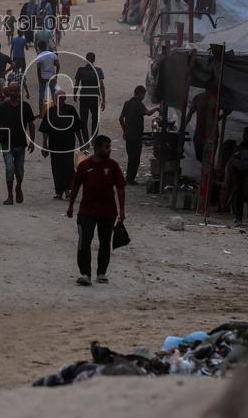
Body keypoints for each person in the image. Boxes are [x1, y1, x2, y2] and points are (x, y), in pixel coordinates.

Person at [67, 135, 126, 285]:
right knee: (84, 241)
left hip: (108, 211)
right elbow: (75, 187)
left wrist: (122, 210)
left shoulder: (113, 166)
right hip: (87, 210)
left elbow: (120, 188)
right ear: (97, 147)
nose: (109, 150)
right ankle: (85, 274)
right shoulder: (84, 166)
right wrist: (71, 206)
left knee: (105, 242)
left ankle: (101, 273)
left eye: (109, 147)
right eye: (106, 147)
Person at [0, 82, 36, 205]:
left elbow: (31, 124)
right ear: (8, 92)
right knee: (10, 169)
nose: (12, 93)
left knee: (20, 170)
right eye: (10, 91)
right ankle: (10, 196)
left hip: (20, 143)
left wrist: (32, 142)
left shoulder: (25, 106)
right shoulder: (3, 107)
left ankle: (18, 187)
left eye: (15, 91)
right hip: (6, 142)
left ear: (19, 92)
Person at [40, 89, 87, 200]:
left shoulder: (71, 110)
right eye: (58, 98)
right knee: (56, 168)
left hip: (68, 144)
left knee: (69, 167)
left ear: (65, 99)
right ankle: (58, 192)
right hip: (54, 145)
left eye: (62, 98)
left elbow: (77, 128)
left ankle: (68, 189)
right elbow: (45, 130)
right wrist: (44, 145)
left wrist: (81, 142)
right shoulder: (50, 112)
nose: (60, 100)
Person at [119, 86, 159, 184]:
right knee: (135, 158)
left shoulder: (127, 103)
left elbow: (120, 119)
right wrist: (157, 109)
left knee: (130, 157)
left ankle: (129, 178)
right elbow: (148, 113)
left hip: (128, 135)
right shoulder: (138, 104)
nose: (143, 97)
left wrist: (124, 131)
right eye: (143, 95)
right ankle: (130, 179)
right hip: (136, 136)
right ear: (140, 94)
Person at [74, 53, 106, 142]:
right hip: (95, 98)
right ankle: (94, 139)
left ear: (86, 59)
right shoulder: (98, 70)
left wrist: (74, 94)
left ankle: (86, 140)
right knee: (95, 119)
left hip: (84, 97)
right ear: (94, 60)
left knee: (83, 120)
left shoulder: (80, 70)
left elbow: (76, 84)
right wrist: (103, 100)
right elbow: (102, 86)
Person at [184, 91, 210, 162]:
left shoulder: (216, 98)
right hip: (200, 133)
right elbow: (189, 114)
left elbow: (189, 114)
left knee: (208, 159)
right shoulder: (199, 98)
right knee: (200, 158)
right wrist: (182, 128)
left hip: (210, 133)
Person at [35, 41, 59, 111]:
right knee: (53, 93)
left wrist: (39, 78)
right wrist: (56, 75)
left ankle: (41, 111)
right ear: (46, 46)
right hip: (51, 76)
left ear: (39, 47)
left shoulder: (39, 56)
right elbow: (58, 65)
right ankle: (55, 110)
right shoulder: (52, 54)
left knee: (41, 94)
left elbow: (38, 69)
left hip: (43, 76)